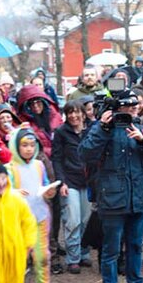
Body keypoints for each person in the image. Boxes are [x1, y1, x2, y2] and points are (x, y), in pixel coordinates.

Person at [79, 89, 143, 283]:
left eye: (135, 106)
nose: (132, 110)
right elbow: (85, 154)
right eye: (127, 107)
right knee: (111, 249)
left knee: (136, 246)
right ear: (117, 109)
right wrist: (102, 127)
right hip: (112, 200)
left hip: (138, 198)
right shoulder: (102, 129)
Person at [6, 127, 59, 283]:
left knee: (42, 256)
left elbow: (44, 187)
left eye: (32, 144)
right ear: (16, 146)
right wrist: (12, 192)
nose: (29, 149)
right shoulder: (10, 168)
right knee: (20, 257)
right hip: (19, 221)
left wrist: (50, 192)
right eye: (24, 145)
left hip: (41, 217)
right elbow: (2, 192)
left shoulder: (39, 165)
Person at [51, 100, 93, 273]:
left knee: (86, 219)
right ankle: (73, 257)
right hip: (70, 181)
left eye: (77, 112)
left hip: (88, 181)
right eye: (70, 112)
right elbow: (57, 159)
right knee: (73, 219)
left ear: (83, 113)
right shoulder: (61, 132)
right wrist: (62, 182)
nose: (73, 116)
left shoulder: (91, 130)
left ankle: (84, 252)